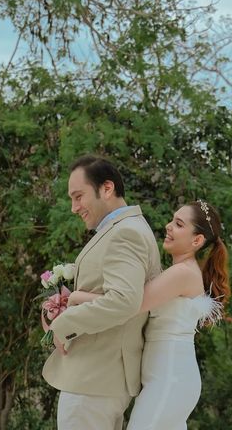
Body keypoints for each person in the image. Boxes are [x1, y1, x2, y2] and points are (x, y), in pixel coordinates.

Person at [68, 199, 230, 429]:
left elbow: (129, 304)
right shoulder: (175, 272)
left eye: (179, 224)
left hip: (170, 378)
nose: (168, 226)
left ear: (197, 240)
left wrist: (77, 297)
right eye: (172, 220)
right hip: (163, 377)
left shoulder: (183, 274)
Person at [42, 155, 162, 430]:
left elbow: (123, 301)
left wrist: (63, 325)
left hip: (95, 382)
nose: (74, 208)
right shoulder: (120, 230)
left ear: (107, 188)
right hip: (97, 381)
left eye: (78, 196)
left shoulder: (125, 233)